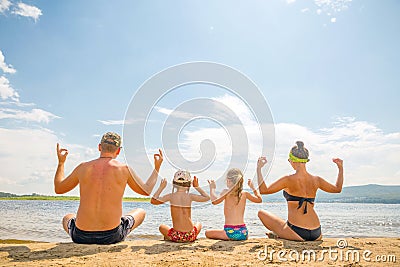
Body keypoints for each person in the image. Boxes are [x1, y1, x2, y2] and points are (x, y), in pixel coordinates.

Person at [54, 132, 163, 244]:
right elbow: (146, 190)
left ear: (99, 147)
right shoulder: (124, 169)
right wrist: (157, 168)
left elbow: (59, 188)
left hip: (81, 236)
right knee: (140, 212)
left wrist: (61, 163)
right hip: (111, 235)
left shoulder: (83, 167)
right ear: (118, 150)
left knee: (68, 217)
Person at [257, 141, 344, 241]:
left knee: (261, 213)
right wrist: (340, 168)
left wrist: (259, 169)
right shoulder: (316, 180)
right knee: (284, 223)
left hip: (298, 233)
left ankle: (281, 234)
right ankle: (281, 233)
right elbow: (338, 189)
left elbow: (263, 190)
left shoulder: (288, 179)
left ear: (292, 160)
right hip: (316, 233)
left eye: (289, 160)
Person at [150, 170, 210, 242]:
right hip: (190, 235)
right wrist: (197, 187)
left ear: (174, 184)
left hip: (177, 236)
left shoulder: (171, 196)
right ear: (189, 184)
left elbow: (153, 201)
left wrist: (161, 187)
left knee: (161, 227)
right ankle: (191, 237)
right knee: (198, 224)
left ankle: (168, 238)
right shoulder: (190, 196)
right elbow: (207, 198)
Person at [205, 168, 262, 241]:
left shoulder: (226, 192)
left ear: (228, 181)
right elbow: (259, 199)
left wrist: (212, 188)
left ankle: (230, 237)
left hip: (230, 232)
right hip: (243, 232)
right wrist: (253, 188)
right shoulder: (244, 194)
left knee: (207, 233)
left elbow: (214, 201)